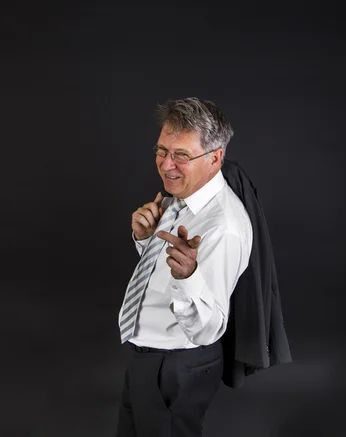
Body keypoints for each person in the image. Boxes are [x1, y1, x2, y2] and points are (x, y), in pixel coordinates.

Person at [115, 97, 253, 437]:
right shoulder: (187, 196)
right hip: (147, 358)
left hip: (175, 366)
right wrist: (147, 241)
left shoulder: (223, 228)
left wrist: (188, 276)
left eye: (181, 155)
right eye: (162, 150)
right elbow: (168, 272)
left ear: (215, 158)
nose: (166, 165)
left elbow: (208, 329)